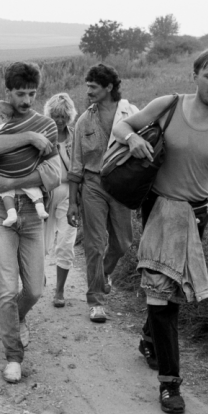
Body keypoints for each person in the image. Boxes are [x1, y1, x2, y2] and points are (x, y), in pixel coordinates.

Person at [112, 47, 208, 414]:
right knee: (163, 293)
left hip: (196, 214)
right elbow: (121, 125)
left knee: (168, 284)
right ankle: (170, 384)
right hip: (157, 206)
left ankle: (148, 338)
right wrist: (132, 139)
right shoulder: (169, 104)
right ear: (195, 76)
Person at [0, 61, 61, 383]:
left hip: (32, 211)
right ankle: (13, 357)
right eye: (20, 93)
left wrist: (12, 182)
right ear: (8, 92)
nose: (26, 100)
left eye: (32, 93)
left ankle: (17, 317)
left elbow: (54, 174)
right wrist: (28, 138)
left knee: (35, 289)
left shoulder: (48, 125)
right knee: (8, 288)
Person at [67, 64, 139, 323]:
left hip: (121, 184)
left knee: (122, 243)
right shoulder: (84, 120)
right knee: (94, 244)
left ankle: (105, 272)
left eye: (93, 87)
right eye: (87, 87)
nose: (88, 92)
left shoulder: (131, 114)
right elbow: (75, 164)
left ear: (109, 87)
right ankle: (95, 300)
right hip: (93, 184)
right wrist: (73, 202)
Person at [0, 100, 49, 226]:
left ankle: (11, 213)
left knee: (5, 192)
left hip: (4, 170)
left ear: (2, 117)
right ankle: (40, 208)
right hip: (23, 168)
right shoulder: (20, 126)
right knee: (32, 188)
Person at [42, 93, 78, 308]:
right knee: (40, 242)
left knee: (66, 242)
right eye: (55, 115)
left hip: (69, 193)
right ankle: (37, 278)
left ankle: (60, 290)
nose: (59, 120)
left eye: (63, 116)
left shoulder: (76, 137)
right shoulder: (42, 136)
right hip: (45, 194)